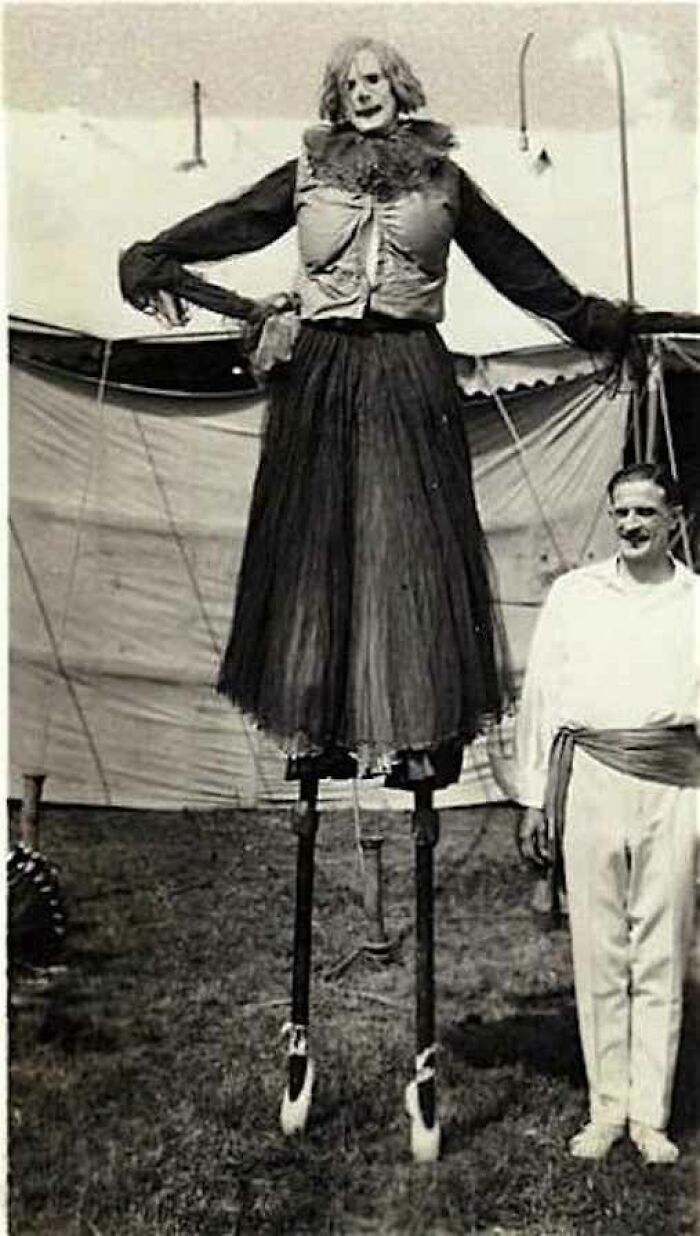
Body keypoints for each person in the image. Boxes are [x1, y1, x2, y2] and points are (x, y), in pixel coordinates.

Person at [118, 36, 651, 795]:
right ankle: (316, 729)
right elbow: (233, 221)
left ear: (401, 89)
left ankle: (421, 739)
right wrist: (155, 253)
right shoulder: (306, 171)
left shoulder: (442, 180)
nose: (364, 91)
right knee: (314, 543)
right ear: (336, 97)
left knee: (410, 546)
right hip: (323, 372)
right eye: (349, 82)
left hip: (407, 367)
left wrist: (599, 322)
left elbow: (517, 267)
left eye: (375, 79)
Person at [517, 461, 699, 1165]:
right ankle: (606, 1109)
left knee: (661, 944)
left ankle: (650, 1114)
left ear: (673, 518)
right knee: (599, 947)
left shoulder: (694, 599)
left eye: (646, 514)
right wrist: (536, 797)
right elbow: (542, 699)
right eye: (621, 513)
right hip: (590, 776)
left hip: (674, 781)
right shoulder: (574, 595)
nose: (631, 526)